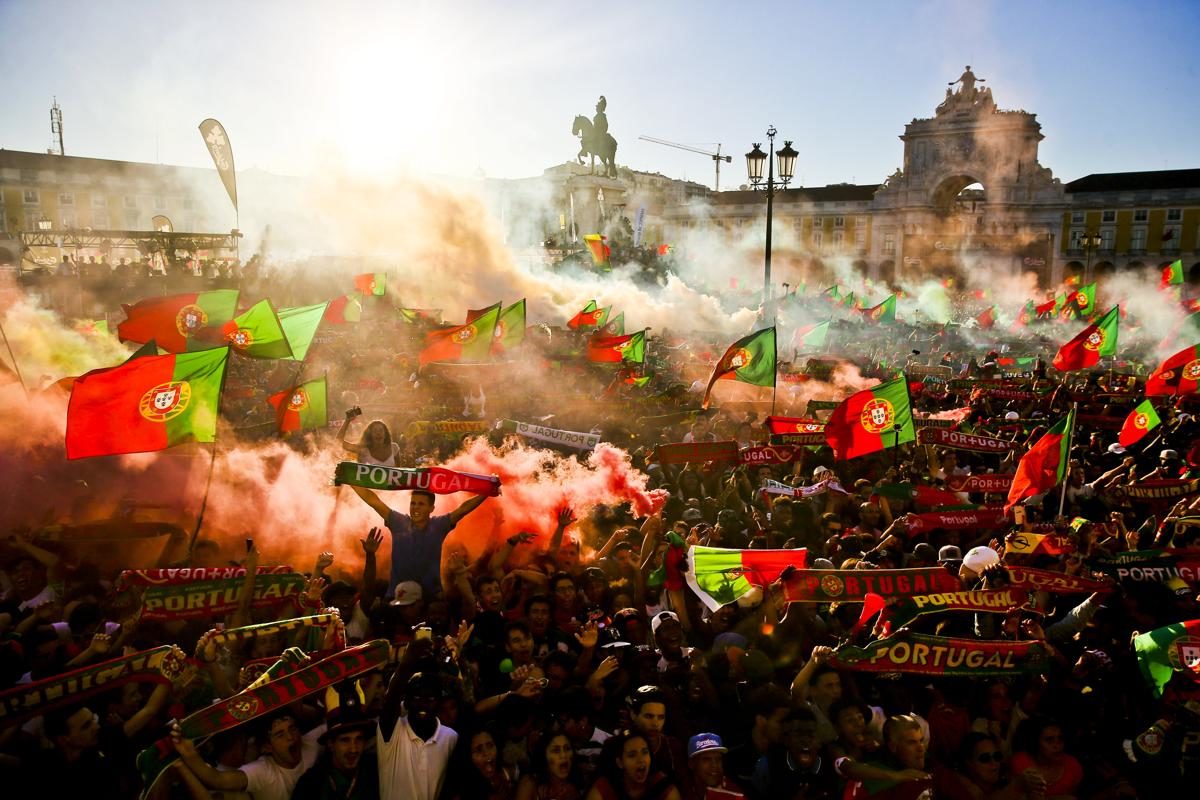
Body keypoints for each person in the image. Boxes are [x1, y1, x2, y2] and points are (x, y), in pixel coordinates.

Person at [352, 484, 490, 599]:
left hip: (430, 598)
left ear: (431, 509)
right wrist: (351, 481)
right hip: (397, 596)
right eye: (413, 503)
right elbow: (374, 502)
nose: (415, 507)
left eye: (421, 504)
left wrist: (487, 491)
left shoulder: (439, 525)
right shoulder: (398, 522)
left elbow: (463, 509)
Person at [172, 710, 322, 800]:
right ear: (267, 747)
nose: (291, 737)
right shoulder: (262, 772)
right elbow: (217, 780)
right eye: (280, 734)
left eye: (292, 728)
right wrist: (188, 752)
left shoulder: (312, 743)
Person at [377, 671, 458, 800]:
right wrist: (411, 655)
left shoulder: (451, 738)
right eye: (416, 698)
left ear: (438, 704)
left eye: (430, 699)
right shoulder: (392, 732)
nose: (423, 704)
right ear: (406, 702)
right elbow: (392, 696)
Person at [293, 682, 380, 800]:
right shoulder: (310, 785)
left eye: (359, 739)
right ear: (330, 744)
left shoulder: (377, 772)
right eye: (345, 740)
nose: (353, 749)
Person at [585, 730, 681, 800]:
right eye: (632, 755)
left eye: (645, 752)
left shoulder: (663, 787)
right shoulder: (607, 786)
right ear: (620, 763)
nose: (641, 760)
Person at [515, 731, 583, 800]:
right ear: (544, 756)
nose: (564, 755)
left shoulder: (576, 785)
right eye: (556, 751)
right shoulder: (529, 783)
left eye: (567, 749)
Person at [683, 732, 746, 799]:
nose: (714, 765)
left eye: (718, 759)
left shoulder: (735, 797)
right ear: (691, 764)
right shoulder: (682, 789)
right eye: (706, 759)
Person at [339, 412, 403, 466]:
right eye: (375, 431)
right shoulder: (363, 450)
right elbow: (338, 442)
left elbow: (399, 471)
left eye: (381, 430)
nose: (378, 433)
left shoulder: (394, 448)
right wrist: (347, 421)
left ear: (385, 434)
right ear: (370, 435)